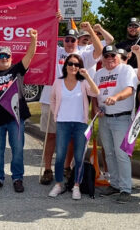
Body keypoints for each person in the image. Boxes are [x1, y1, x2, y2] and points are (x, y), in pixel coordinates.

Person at [39, 22, 103, 185]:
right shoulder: (56, 51)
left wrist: (89, 30)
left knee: (70, 138)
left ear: (77, 41)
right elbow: (44, 36)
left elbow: (100, 50)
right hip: (50, 99)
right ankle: (47, 169)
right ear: (63, 41)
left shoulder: (82, 56)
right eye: (66, 39)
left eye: (73, 40)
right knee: (51, 136)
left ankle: (67, 168)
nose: (69, 43)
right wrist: (53, 18)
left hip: (73, 103)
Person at [0, 29, 37, 193]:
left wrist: (33, 38)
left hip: (16, 117)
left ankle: (17, 178)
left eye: (7, 56)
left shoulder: (17, 69)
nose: (4, 59)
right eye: (1, 56)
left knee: (17, 149)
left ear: (11, 58)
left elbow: (31, 54)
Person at [48, 54, 99, 200]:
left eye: (76, 65)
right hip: (63, 122)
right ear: (65, 65)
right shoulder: (58, 82)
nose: (73, 67)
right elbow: (52, 99)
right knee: (60, 157)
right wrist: (56, 114)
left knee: (79, 157)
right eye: (70, 64)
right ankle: (59, 184)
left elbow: (96, 92)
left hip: (80, 124)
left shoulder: (83, 83)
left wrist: (88, 76)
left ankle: (76, 185)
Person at [93, 44, 138, 203]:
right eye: (106, 56)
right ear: (102, 59)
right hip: (105, 118)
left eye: (113, 56)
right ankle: (115, 184)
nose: (110, 59)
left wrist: (116, 97)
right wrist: (96, 107)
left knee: (121, 154)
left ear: (119, 57)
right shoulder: (99, 73)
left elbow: (129, 90)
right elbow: (94, 93)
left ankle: (126, 188)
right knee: (109, 153)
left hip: (121, 118)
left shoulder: (126, 70)